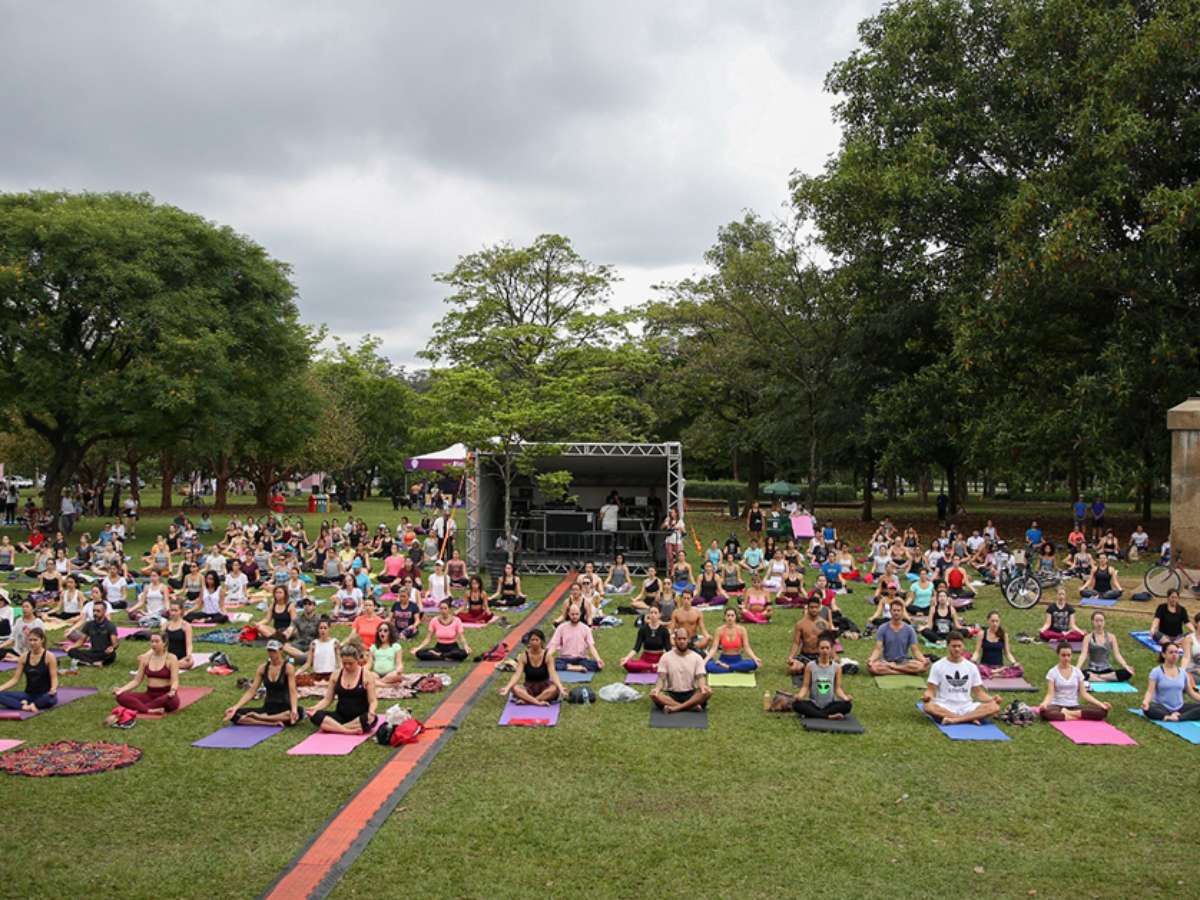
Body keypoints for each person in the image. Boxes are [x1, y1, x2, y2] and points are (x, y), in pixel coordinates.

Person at [921, 631, 1000, 725]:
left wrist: (992, 699)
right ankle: (968, 719)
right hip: (945, 706)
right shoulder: (938, 666)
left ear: (963, 646)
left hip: (966, 706)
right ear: (948, 646)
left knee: (994, 707)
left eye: (959, 646)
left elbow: (979, 693)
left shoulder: (971, 667)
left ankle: (955, 720)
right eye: (954, 646)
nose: (957, 649)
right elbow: (930, 690)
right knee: (928, 707)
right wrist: (927, 696)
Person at [306, 643, 378, 734]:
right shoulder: (336, 675)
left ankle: (335, 727)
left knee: (371, 719)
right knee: (316, 715)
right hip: (340, 716)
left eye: (350, 663)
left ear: (357, 660)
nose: (347, 666)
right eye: (344, 663)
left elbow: (373, 700)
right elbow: (327, 699)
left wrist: (371, 711)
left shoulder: (367, 675)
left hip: (359, 717)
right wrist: (315, 708)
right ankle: (347, 730)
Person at [109, 631, 180, 720]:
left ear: (164, 642)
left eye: (157, 641)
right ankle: (149, 710)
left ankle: (141, 708)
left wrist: (172, 691)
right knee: (121, 696)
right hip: (149, 695)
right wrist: (121, 689)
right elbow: (136, 681)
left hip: (166, 695)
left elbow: (175, 680)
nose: (153, 644)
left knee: (169, 698)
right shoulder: (145, 659)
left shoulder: (171, 658)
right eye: (152, 641)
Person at [1039, 642, 1111, 721]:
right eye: (1063, 655)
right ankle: (1076, 715)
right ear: (1058, 655)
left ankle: (1068, 714)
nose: (1066, 658)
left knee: (1103, 712)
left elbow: (1084, 694)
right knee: (1044, 713)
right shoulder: (1052, 672)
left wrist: (1100, 704)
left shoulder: (1077, 672)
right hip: (1057, 706)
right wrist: (1044, 704)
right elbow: (1050, 694)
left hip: (1074, 706)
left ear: (1071, 655)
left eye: (1068, 655)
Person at [790, 633, 853, 719]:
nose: (825, 650)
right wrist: (799, 696)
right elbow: (805, 687)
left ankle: (816, 714)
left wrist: (845, 698)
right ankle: (827, 716)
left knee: (847, 705)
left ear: (831, 649)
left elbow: (838, 689)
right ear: (818, 649)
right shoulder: (810, 666)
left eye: (827, 648)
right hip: (813, 704)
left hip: (830, 705)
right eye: (822, 648)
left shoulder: (837, 667)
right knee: (796, 704)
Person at [650, 627, 711, 713]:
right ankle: (690, 707)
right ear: (675, 640)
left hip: (691, 694)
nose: (682, 641)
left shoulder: (697, 657)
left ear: (688, 640)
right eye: (679, 639)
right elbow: (661, 678)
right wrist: (657, 688)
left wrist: (703, 687)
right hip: (672, 694)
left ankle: (675, 708)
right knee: (654, 695)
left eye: (684, 639)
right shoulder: (666, 657)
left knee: (708, 692)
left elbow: (700, 677)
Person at [0, 626, 58, 712]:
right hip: (29, 694)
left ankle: (29, 703)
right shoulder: (23, 657)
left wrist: (53, 689)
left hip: (45, 695)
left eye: (35, 640)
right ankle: (25, 706)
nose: (32, 643)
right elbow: (15, 679)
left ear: (42, 640)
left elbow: (54, 677)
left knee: (50, 698)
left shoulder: (49, 656)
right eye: (30, 640)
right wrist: (1, 688)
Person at [499, 628, 562, 705]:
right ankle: (537, 702)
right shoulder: (523, 656)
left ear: (541, 641)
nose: (534, 642)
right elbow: (517, 674)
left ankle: (527, 700)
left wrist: (560, 687)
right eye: (532, 640)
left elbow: (553, 673)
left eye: (537, 640)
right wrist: (507, 687)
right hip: (529, 688)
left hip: (545, 688)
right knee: (514, 688)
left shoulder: (548, 656)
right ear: (529, 641)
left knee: (555, 689)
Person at [1140, 642, 1200, 721]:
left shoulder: (1183, 673)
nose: (1174, 655)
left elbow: (1191, 693)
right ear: (1164, 654)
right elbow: (1150, 692)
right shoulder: (1156, 672)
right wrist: (1146, 701)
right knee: (1148, 708)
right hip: (1162, 707)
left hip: (1180, 708)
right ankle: (1168, 716)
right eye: (1171, 652)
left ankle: (1178, 717)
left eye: (1176, 652)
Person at [868, 600, 929, 675]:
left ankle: (894, 669)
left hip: (904, 661)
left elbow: (915, 650)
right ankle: (904, 672)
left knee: (922, 666)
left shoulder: (909, 629)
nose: (896, 613)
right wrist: (871, 660)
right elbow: (878, 649)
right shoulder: (882, 628)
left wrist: (923, 660)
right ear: (890, 611)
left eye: (898, 610)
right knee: (872, 667)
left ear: (902, 612)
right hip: (887, 662)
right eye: (894, 610)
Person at [546, 603, 604, 671]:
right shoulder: (561, 627)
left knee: (597, 665)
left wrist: (598, 659)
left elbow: (591, 646)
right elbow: (554, 644)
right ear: (568, 614)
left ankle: (570, 667)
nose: (575, 616)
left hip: (580, 659)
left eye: (577, 614)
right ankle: (571, 667)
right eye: (572, 614)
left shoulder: (586, 628)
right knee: (550, 663)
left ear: (580, 614)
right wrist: (548, 655)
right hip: (564, 659)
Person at [704, 607, 761, 673]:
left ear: (735, 617)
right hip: (723, 659)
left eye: (732, 615)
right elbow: (714, 648)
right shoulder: (719, 630)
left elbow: (747, 647)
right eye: (728, 615)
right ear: (725, 617)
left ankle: (728, 667)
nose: (730, 618)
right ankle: (735, 668)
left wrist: (755, 658)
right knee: (709, 666)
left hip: (737, 660)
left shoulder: (742, 630)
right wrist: (705, 660)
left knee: (753, 663)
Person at [971, 611, 1023, 679]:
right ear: (988, 621)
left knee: (1020, 669)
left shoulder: (1004, 635)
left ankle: (992, 673)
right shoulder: (982, 634)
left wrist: (1014, 663)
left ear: (999, 621)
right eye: (992, 621)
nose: (995, 623)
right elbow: (977, 652)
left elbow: (1007, 653)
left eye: (997, 621)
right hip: (985, 667)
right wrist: (972, 661)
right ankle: (994, 672)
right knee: (976, 668)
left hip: (999, 667)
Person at [67, 601, 119, 667]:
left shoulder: (110, 625)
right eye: (94, 611)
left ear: (104, 611)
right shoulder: (89, 624)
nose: (95, 613)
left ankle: (87, 661)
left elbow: (115, 644)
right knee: (72, 651)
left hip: (105, 653)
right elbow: (81, 641)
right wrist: (70, 647)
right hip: (93, 652)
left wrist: (112, 648)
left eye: (98, 611)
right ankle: (94, 663)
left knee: (112, 655)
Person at [621, 605, 671, 672]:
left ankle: (649, 668)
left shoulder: (664, 630)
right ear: (648, 615)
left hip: (659, 659)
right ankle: (651, 667)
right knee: (627, 663)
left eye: (655, 613)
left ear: (659, 615)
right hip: (645, 659)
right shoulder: (643, 629)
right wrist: (627, 657)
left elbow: (668, 649)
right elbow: (636, 648)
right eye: (651, 612)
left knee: (669, 665)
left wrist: (666, 661)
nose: (653, 615)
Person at [787, 597, 830, 674]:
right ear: (808, 608)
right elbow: (796, 643)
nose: (814, 610)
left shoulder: (825, 624)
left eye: (816, 607)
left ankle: (810, 668)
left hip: (820, 655)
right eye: (812, 607)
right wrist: (791, 657)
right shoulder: (800, 624)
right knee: (794, 669)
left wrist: (834, 656)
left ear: (819, 608)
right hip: (805, 655)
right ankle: (810, 668)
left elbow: (829, 642)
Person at [161, 603, 195, 670]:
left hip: (182, 658)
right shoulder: (165, 625)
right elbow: (161, 642)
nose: (173, 613)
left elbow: (189, 644)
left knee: (190, 662)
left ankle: (168, 665)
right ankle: (169, 665)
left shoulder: (186, 626)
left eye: (176, 611)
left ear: (181, 611)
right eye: (171, 610)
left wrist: (189, 655)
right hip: (169, 656)